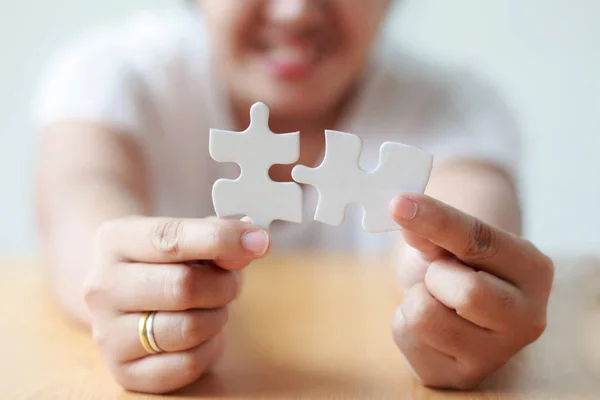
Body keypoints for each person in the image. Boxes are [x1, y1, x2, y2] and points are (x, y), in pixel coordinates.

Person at [33, 0, 554, 394]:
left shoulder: (457, 108)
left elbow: (472, 206)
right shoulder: (116, 76)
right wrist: (118, 285)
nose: (295, 10)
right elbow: (80, 198)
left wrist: (456, 297)